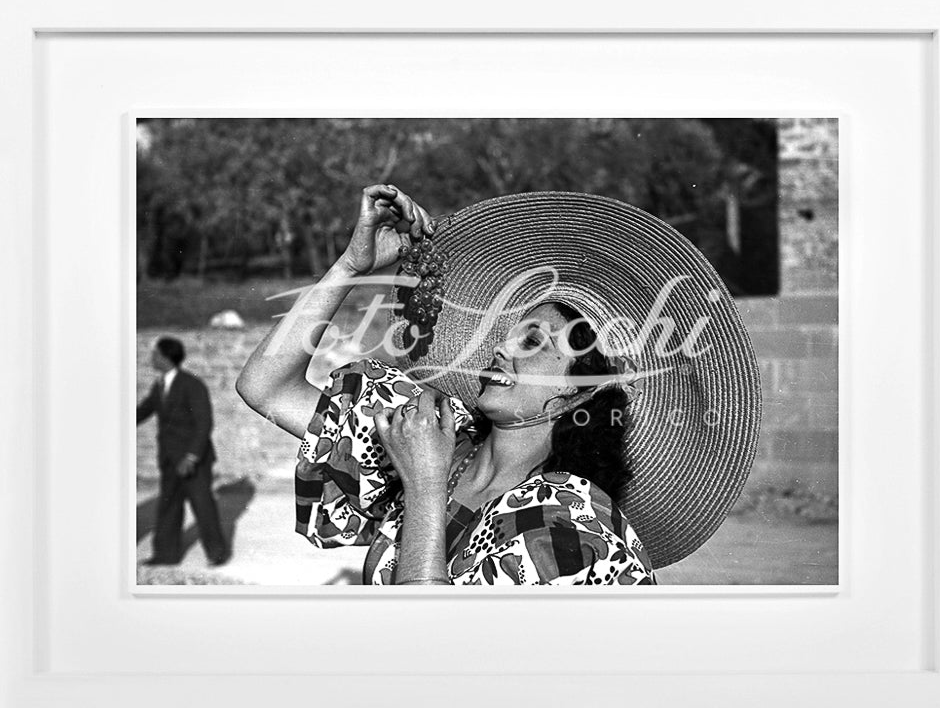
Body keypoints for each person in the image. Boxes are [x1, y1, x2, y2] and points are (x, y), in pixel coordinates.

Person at [237, 185, 761, 585]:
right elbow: (267, 387)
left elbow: (435, 658)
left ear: (579, 392)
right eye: (509, 335)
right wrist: (354, 266)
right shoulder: (440, 435)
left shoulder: (567, 519)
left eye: (534, 342)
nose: (502, 348)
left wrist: (422, 487)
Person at [137, 336, 230, 566]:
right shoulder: (159, 385)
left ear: (166, 357)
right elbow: (143, 410)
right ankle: (166, 556)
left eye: (155, 354)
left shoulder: (192, 384)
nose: (151, 358)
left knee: (202, 505)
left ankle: (217, 554)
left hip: (193, 460)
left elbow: (204, 422)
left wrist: (191, 456)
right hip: (169, 459)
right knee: (169, 506)